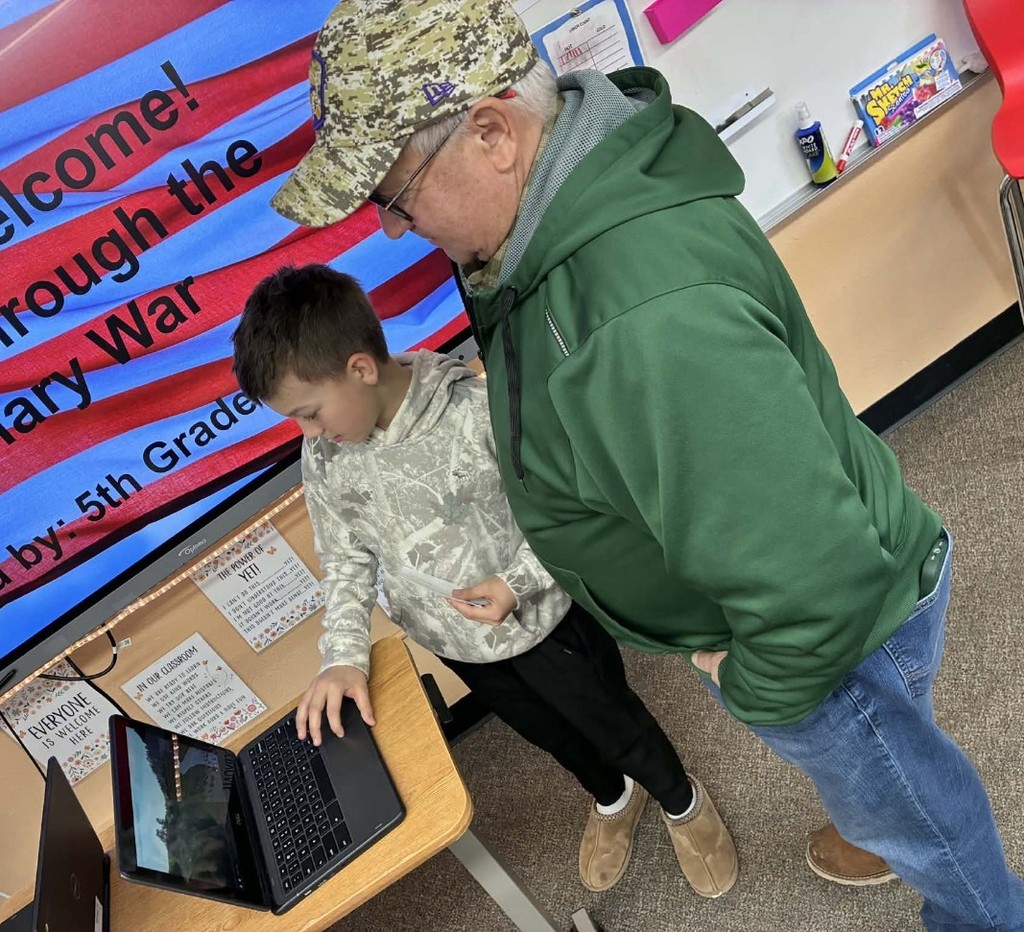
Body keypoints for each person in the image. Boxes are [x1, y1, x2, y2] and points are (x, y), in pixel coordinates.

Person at [268, 2, 1024, 929]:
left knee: (930, 829)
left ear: (494, 133)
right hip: (838, 567)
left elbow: (815, 591)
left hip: (825, 639)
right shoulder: (561, 211)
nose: (394, 227)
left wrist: (744, 687)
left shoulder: (641, 319)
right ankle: (877, 815)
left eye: (397, 194)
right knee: (897, 765)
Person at [230, 263, 738, 898]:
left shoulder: (476, 409)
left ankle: (681, 800)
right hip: (456, 639)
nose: (308, 433)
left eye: (309, 412)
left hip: (544, 618)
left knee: (613, 721)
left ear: (360, 369)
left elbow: (570, 512)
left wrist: (517, 582)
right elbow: (347, 560)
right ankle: (614, 797)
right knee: (547, 734)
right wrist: (342, 657)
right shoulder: (327, 456)